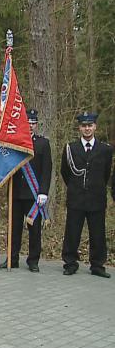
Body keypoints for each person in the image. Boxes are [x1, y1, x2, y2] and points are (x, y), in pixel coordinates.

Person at [0, 108, 52, 272]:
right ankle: (12, 258)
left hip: (33, 194)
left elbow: (46, 169)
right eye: (27, 123)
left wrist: (43, 191)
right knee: (13, 229)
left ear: (36, 125)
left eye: (33, 123)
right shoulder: (14, 143)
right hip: (16, 192)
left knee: (34, 230)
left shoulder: (43, 143)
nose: (30, 126)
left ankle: (33, 260)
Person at [60, 112, 112, 278]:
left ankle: (97, 265)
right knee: (72, 232)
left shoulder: (105, 149)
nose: (87, 128)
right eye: (84, 126)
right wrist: (76, 188)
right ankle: (70, 263)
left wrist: (94, 187)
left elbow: (106, 173)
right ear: (79, 128)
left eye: (90, 125)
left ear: (95, 127)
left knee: (97, 233)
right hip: (76, 197)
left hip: (96, 198)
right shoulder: (71, 148)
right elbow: (65, 172)